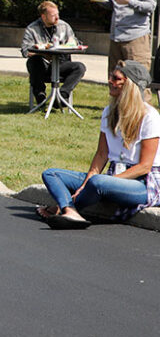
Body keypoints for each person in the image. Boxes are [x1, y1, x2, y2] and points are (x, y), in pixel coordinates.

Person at [38, 60, 160, 229]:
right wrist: (86, 183)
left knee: (98, 183)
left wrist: (104, 181)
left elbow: (144, 167)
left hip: (142, 183)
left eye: (116, 78)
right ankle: (70, 210)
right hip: (111, 174)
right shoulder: (108, 112)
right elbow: (101, 154)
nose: (110, 81)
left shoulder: (150, 116)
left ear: (130, 85)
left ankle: (65, 208)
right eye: (111, 76)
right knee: (51, 174)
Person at [88, 0, 157, 73]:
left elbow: (151, 6)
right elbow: (114, 4)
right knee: (115, 78)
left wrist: (130, 1)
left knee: (137, 78)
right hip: (116, 37)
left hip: (136, 38)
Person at [20, 0, 87, 106]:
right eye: (53, 15)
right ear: (43, 17)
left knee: (80, 67)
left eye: (57, 14)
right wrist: (41, 52)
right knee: (34, 62)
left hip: (61, 64)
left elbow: (76, 42)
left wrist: (72, 42)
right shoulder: (32, 29)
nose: (57, 18)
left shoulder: (64, 26)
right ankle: (40, 95)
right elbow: (25, 51)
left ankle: (62, 97)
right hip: (43, 66)